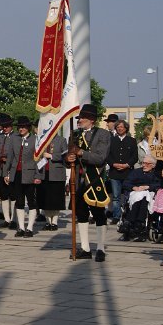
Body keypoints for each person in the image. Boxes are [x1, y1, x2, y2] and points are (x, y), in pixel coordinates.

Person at [66, 103, 112, 262]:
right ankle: (85, 247)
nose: (79, 120)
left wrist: (80, 152)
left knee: (99, 214)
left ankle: (100, 248)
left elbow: (100, 158)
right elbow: (68, 158)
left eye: (83, 118)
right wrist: (69, 158)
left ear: (92, 119)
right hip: (78, 181)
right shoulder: (74, 134)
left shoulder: (103, 135)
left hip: (95, 179)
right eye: (79, 118)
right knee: (81, 214)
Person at [5, 116, 41, 237]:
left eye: (23, 127)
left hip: (30, 174)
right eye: (19, 127)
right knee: (19, 202)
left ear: (28, 128)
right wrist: (6, 173)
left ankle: (30, 227)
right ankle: (21, 227)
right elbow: (9, 157)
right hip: (17, 173)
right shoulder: (14, 139)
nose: (21, 129)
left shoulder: (35, 139)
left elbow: (39, 159)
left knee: (31, 201)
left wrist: (38, 175)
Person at [121, 155, 160, 242]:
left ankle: (139, 223)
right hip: (136, 192)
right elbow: (126, 183)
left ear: (153, 165)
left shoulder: (156, 174)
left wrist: (148, 187)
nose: (144, 165)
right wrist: (134, 187)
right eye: (143, 163)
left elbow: (158, 185)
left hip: (149, 193)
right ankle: (130, 222)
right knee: (138, 197)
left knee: (144, 198)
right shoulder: (136, 172)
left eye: (147, 163)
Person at [106, 119, 138, 224]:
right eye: (118, 127)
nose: (120, 129)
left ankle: (127, 215)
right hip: (114, 172)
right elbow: (107, 155)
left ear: (126, 128)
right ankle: (116, 216)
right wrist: (114, 164)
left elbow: (135, 157)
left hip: (128, 172)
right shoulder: (111, 140)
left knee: (128, 195)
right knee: (116, 196)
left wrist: (126, 165)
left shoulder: (132, 141)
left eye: (122, 127)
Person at [36, 131, 67, 231]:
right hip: (44, 173)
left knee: (55, 199)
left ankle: (54, 222)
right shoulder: (42, 140)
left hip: (57, 174)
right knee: (46, 199)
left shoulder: (62, 140)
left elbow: (65, 156)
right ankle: (48, 221)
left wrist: (52, 156)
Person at [0, 114, 16, 228]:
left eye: (7, 126)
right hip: (0, 169)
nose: (5, 128)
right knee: (3, 195)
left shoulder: (16, 136)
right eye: (3, 126)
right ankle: (6, 219)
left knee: (13, 195)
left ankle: (13, 219)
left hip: (11, 168)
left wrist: (7, 158)